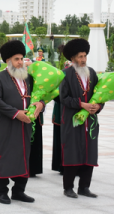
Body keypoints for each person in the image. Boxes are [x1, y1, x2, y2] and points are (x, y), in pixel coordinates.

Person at [0, 40, 44, 205]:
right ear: (8, 61)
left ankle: (19, 191)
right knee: (3, 156)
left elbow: (39, 95)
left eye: (21, 58)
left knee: (23, 155)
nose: (20, 62)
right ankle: (2, 192)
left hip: (25, 125)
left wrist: (40, 105)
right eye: (16, 59)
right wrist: (15, 113)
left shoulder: (29, 78)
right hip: (6, 124)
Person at [59, 38, 102, 199]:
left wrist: (98, 106)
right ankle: (68, 187)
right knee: (72, 153)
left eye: (84, 56)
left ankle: (84, 187)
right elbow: (63, 98)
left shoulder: (92, 73)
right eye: (79, 56)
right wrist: (81, 104)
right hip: (72, 121)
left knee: (89, 153)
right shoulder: (66, 74)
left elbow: (99, 95)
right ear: (72, 58)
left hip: (90, 121)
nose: (83, 60)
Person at [51, 60, 72, 174]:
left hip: (73, 112)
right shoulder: (59, 78)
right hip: (61, 113)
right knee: (60, 139)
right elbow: (54, 94)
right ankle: (61, 165)